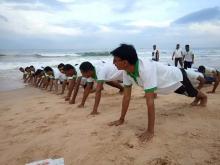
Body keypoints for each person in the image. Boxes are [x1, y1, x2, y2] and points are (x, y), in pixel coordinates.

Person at [109, 44, 207, 142]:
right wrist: (121, 119)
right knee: (190, 93)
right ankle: (197, 97)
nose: (113, 63)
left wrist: (150, 131)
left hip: (176, 78)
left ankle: (204, 97)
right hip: (164, 85)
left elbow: (150, 102)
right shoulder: (126, 71)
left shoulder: (145, 69)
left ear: (125, 62)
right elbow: (126, 97)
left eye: (115, 60)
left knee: (190, 93)